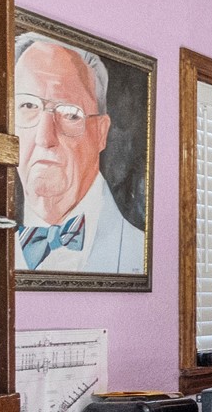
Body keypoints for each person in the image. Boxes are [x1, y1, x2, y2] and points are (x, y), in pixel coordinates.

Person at [15, 33, 144, 273]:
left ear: (100, 133)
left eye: (69, 113)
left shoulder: (139, 250)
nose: (45, 137)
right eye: (28, 106)